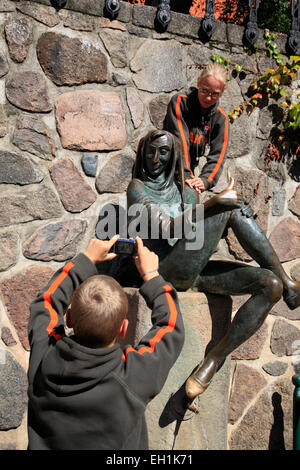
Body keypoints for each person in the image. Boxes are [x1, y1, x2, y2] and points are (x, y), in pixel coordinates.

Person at [127, 129, 300, 402]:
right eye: (150, 151)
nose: (155, 157)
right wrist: (217, 204)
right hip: (161, 269)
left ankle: (213, 360)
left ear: (173, 156)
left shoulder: (184, 190)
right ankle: (292, 286)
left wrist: (233, 213)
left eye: (163, 152)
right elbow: (166, 228)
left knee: (270, 285)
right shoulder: (138, 188)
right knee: (227, 209)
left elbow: (196, 237)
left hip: (191, 270)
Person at [27, 235, 184, 450]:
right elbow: (171, 326)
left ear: (69, 318)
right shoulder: (133, 375)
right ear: (123, 329)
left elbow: (45, 303)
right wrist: (151, 275)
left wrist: (85, 260)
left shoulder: (44, 354)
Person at [164, 62, 229, 194]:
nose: (208, 97)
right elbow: (180, 140)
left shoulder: (221, 119)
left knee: (191, 208)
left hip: (188, 174)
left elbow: (219, 155)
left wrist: (205, 180)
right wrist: (185, 174)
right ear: (198, 83)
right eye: (204, 90)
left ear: (222, 91)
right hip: (164, 168)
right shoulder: (180, 102)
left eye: (215, 94)